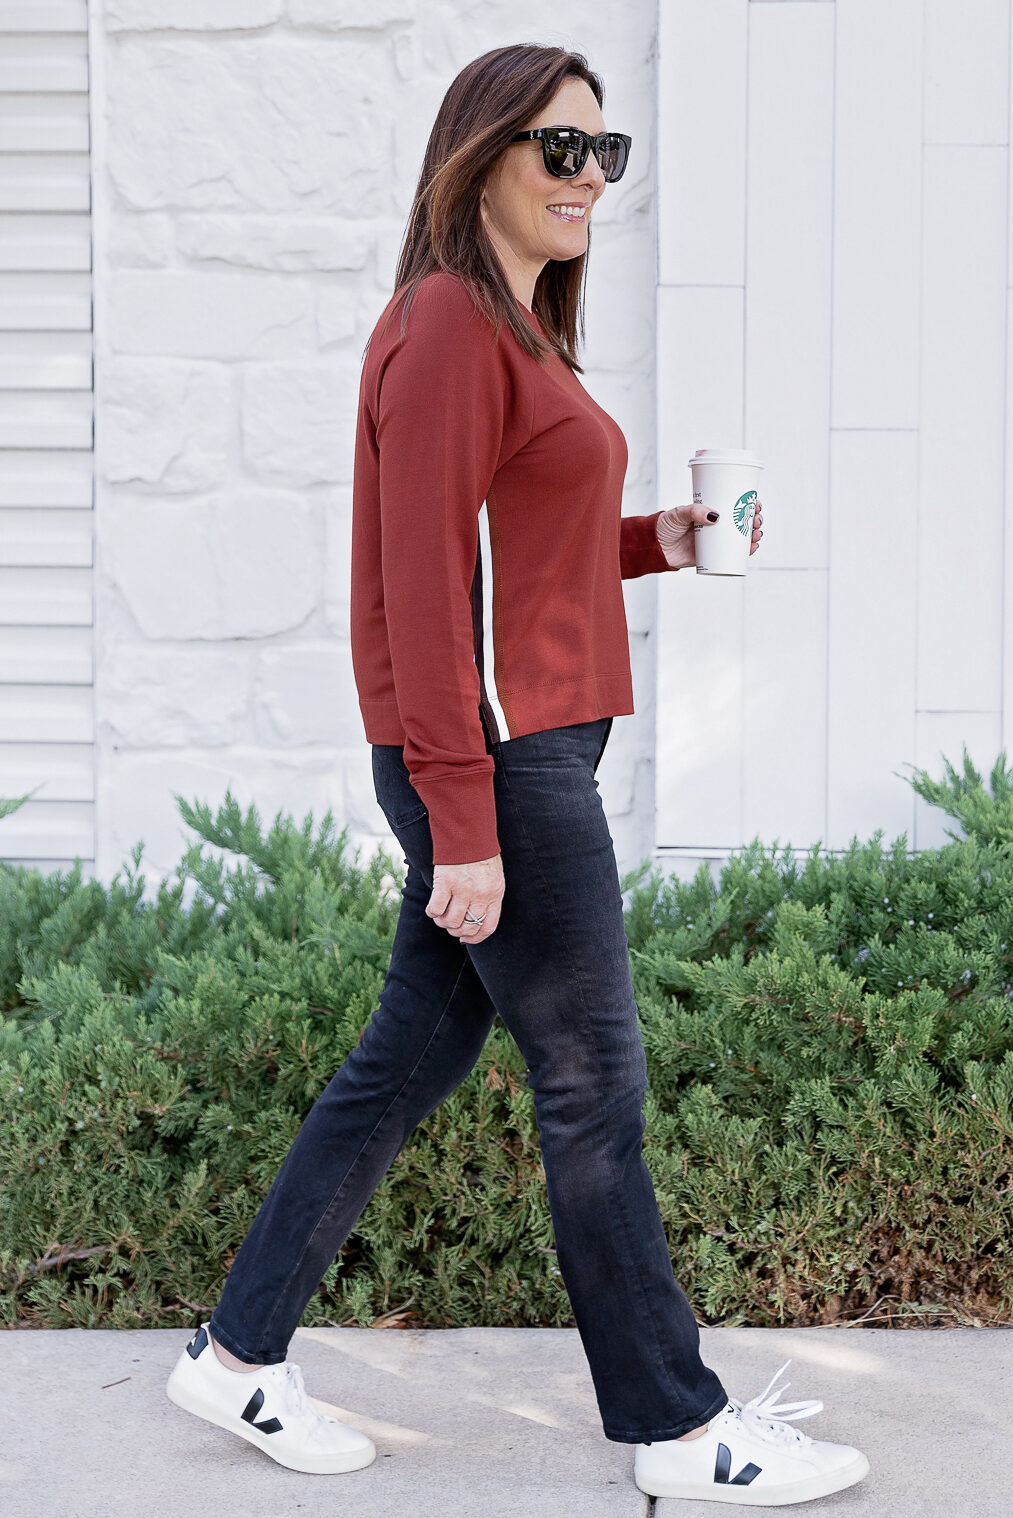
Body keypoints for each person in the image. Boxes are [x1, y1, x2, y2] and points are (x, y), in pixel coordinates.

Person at [166, 41, 869, 1506]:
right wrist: (464, 819)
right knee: (591, 1084)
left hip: (511, 751)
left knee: (400, 1064)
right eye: (559, 146)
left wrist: (659, 539)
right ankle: (678, 1428)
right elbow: (427, 588)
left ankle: (236, 1356)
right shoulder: (445, 324)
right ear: (476, 157)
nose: (587, 177)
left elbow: (523, 549)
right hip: (495, 759)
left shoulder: (511, 330)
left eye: (604, 152)